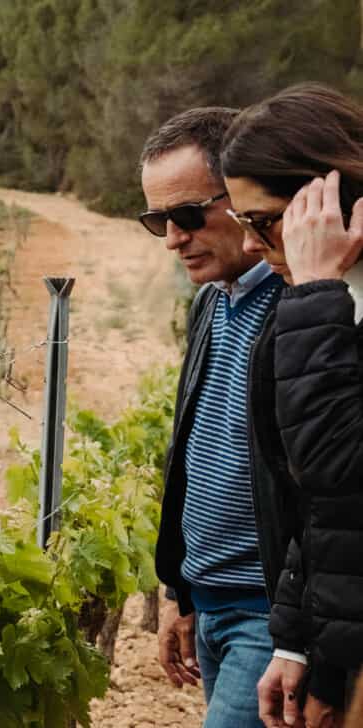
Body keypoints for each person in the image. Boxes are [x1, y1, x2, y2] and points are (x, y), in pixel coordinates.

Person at [221, 82, 363, 728]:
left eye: (262, 220)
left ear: (330, 200)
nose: (251, 245)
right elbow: (323, 511)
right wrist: (297, 640)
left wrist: (314, 291)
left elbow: (338, 464)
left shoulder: (319, 300)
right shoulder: (323, 302)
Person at [141, 106, 285, 728]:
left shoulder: (306, 305)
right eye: (157, 221)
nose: (173, 238)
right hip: (211, 602)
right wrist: (180, 590)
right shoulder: (208, 304)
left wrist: (299, 636)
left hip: (269, 614)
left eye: (187, 215)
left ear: (244, 197)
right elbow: (192, 455)